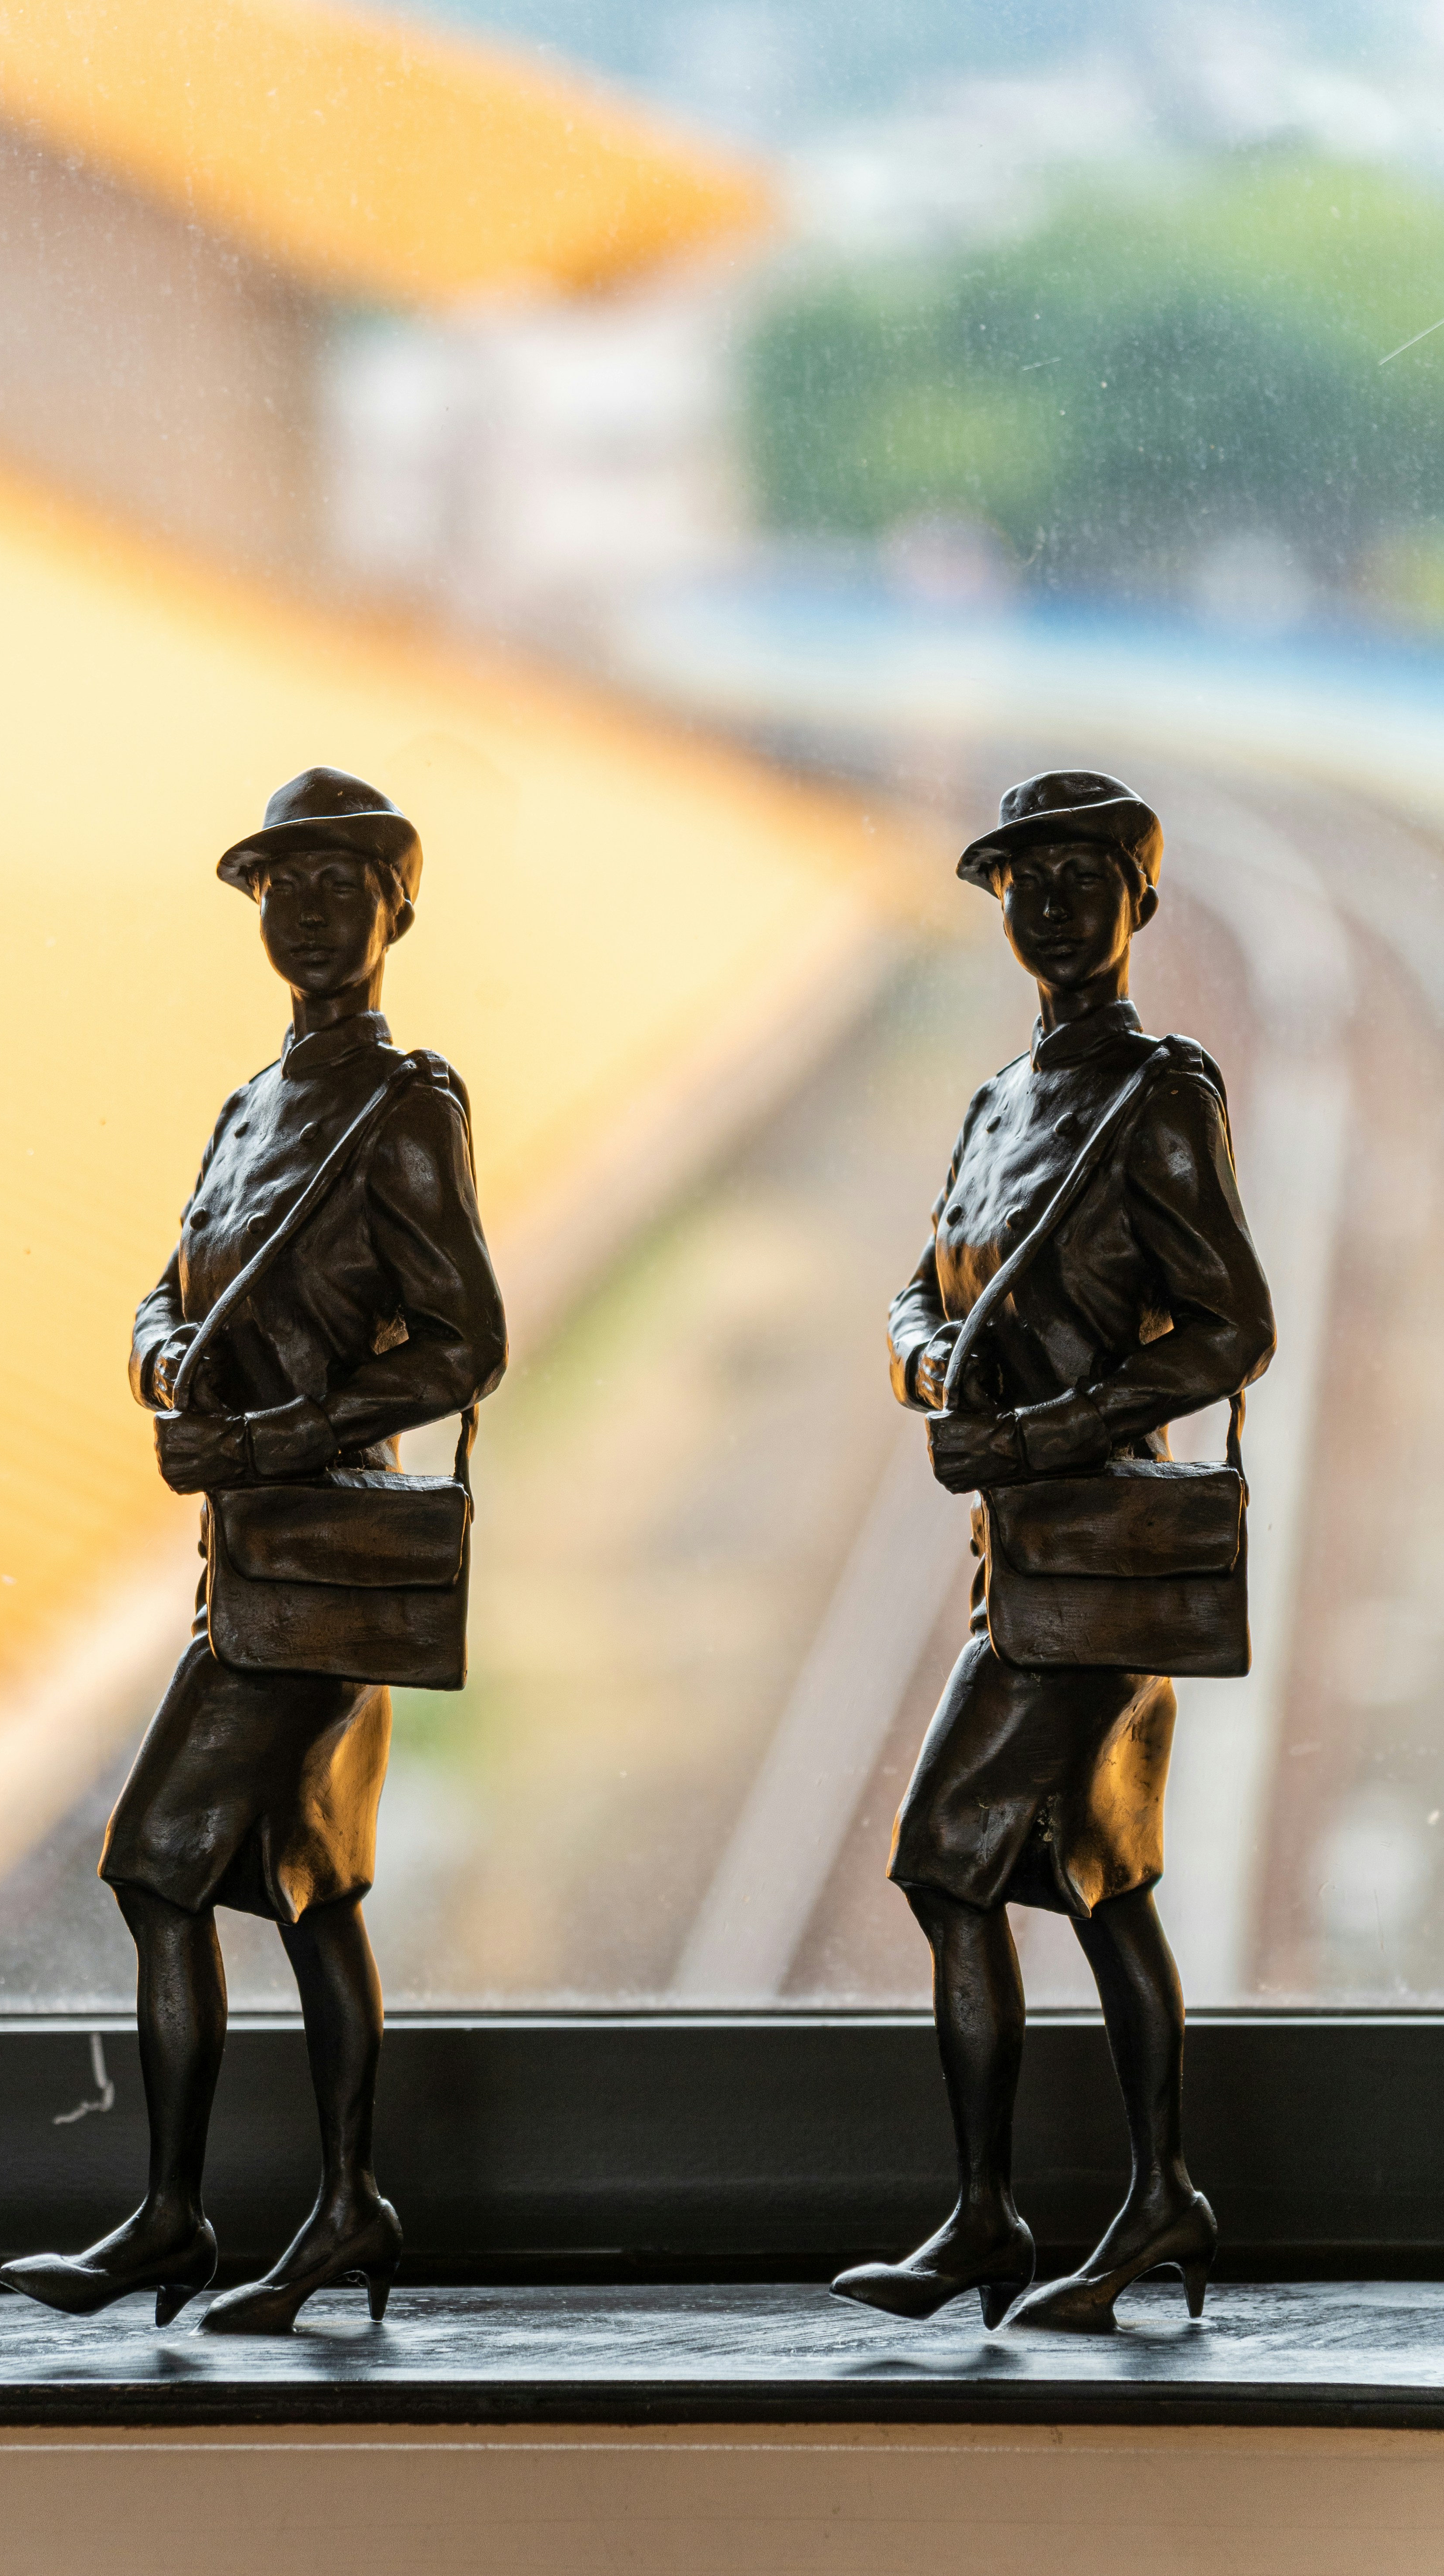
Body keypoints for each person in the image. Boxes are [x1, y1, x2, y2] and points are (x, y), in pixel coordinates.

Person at [1, 766, 506, 2333]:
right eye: (280, 888)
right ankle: (337, 2209)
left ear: (392, 911)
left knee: (158, 1861)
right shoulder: (251, 1105)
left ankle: (180, 2217)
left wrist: (280, 1434)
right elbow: (170, 1292)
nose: (303, 912)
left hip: (324, 1560)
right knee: (309, 1891)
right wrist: (170, 1369)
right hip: (252, 1553)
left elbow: (466, 1343)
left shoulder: (403, 1106)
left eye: (337, 886)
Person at [832, 769, 1275, 2333]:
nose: (1055, 903)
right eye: (1028, 880)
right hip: (1018, 1560)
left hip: (1099, 1559)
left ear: (1139, 904)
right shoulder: (1000, 1099)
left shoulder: (1159, 1095)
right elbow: (916, 1289)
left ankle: (997, 2217)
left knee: (944, 1857)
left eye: (1088, 877)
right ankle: (1143, 2204)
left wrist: (1043, 1425)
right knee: (1102, 1886)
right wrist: (924, 1360)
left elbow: (1235, 1327)